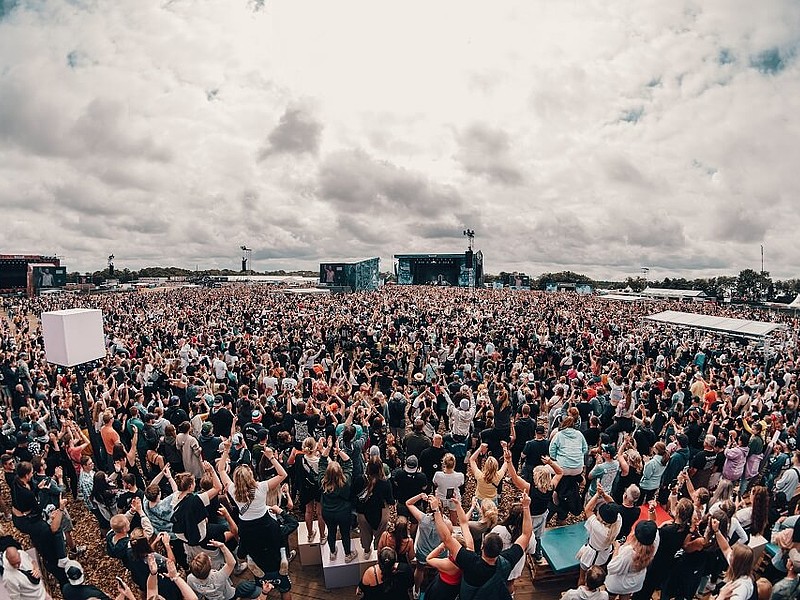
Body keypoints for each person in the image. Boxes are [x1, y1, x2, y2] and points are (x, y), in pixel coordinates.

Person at [431, 492, 532, 600]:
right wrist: (526, 507)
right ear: (500, 549)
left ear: (483, 546)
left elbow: (447, 538)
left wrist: (436, 510)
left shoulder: (470, 561)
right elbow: (526, 535)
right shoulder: (507, 562)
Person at [317, 436, 357, 562]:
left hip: (327, 512)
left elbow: (322, 461)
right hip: (343, 512)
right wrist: (338, 450)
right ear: (340, 472)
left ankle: (333, 553)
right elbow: (349, 462)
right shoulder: (345, 482)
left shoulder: (322, 481)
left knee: (331, 532)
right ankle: (347, 555)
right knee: (345, 533)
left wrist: (328, 448)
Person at [605, 519, 660, 600]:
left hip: (617, 584)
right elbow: (653, 528)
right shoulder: (654, 543)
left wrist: (617, 548)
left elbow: (611, 567)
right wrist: (651, 512)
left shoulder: (629, 552)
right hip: (634, 583)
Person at [577, 487, 622, 586]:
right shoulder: (618, 521)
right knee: (596, 575)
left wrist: (597, 494)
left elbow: (587, 509)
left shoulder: (599, 528)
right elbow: (613, 505)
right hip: (603, 555)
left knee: (582, 577)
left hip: (590, 554)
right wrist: (604, 495)